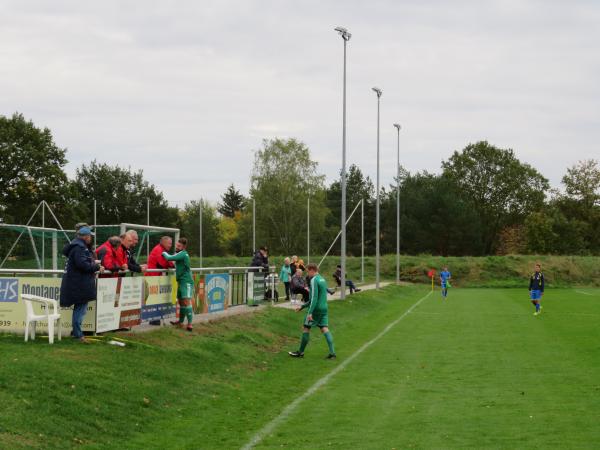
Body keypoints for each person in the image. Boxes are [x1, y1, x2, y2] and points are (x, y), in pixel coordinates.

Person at [60, 227, 103, 342]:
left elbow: (81, 263)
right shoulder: (80, 248)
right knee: (80, 310)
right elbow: (82, 265)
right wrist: (97, 267)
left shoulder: (76, 246)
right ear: (86, 237)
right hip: (79, 284)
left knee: (80, 310)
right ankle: (78, 335)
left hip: (77, 283)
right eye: (90, 236)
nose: (91, 239)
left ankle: (76, 333)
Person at [289, 263, 336, 359]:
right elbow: (318, 297)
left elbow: (314, 298)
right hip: (324, 308)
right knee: (324, 328)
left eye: (307, 271)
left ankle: (300, 352)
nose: (307, 274)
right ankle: (332, 353)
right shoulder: (322, 279)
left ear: (312, 270)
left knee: (306, 328)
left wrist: (310, 312)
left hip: (316, 309)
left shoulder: (314, 280)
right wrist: (302, 307)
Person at [162, 238, 195, 331]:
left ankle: (190, 324)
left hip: (186, 282)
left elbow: (168, 258)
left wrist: (163, 252)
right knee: (181, 302)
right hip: (181, 281)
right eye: (176, 245)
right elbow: (173, 262)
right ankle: (180, 322)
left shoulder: (183, 254)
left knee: (186, 301)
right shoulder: (180, 254)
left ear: (183, 247)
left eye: (179, 246)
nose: (176, 247)